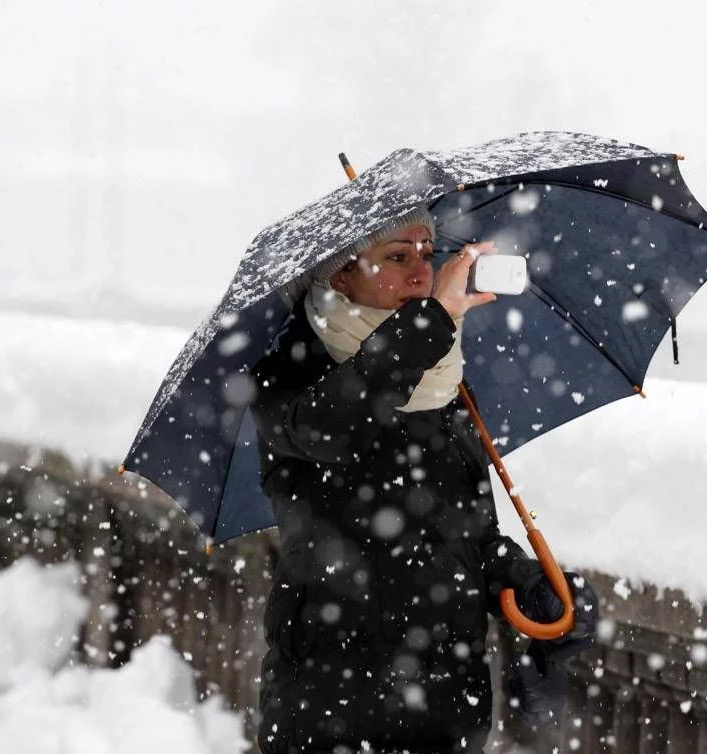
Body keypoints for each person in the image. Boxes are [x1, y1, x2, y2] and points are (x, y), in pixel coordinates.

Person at [249, 207, 598, 754]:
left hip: (446, 716)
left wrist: (528, 583)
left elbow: (466, 543)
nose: (421, 273)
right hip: (330, 714)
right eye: (396, 256)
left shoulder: (444, 389)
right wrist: (431, 321)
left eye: (426, 255)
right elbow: (334, 429)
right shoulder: (290, 376)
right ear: (341, 275)